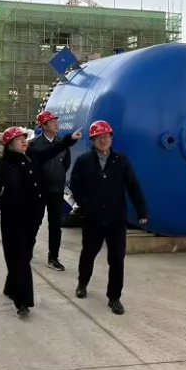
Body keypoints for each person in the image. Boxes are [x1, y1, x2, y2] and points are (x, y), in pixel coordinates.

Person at [0, 125, 82, 316]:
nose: (24, 142)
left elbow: (53, 149)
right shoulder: (2, 164)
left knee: (23, 256)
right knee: (16, 257)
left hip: (32, 216)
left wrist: (69, 140)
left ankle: (11, 287)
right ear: (9, 144)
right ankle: (22, 302)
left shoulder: (34, 157)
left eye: (25, 138)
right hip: (11, 217)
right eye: (19, 139)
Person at [70, 120, 148, 316]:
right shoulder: (84, 162)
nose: (103, 140)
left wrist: (142, 211)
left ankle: (114, 297)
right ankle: (82, 283)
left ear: (111, 138)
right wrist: (86, 206)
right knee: (88, 253)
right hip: (93, 218)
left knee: (117, 258)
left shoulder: (121, 161)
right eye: (99, 137)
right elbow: (75, 185)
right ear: (93, 140)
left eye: (106, 137)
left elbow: (133, 186)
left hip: (116, 218)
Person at [28, 110, 71, 271]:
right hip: (38, 191)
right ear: (44, 126)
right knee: (34, 221)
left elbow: (65, 164)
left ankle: (53, 258)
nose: (56, 124)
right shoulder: (33, 145)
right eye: (52, 122)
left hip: (57, 191)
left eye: (56, 121)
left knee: (55, 225)